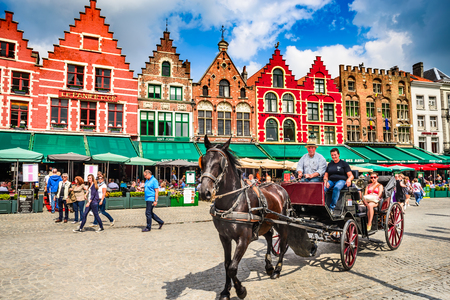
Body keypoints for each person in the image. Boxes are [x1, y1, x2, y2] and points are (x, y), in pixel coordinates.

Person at [323, 148, 354, 213]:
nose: (333, 156)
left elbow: (351, 175)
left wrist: (349, 179)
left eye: (335, 155)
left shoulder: (344, 163)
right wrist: (326, 181)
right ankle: (323, 206)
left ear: (339, 155)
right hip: (331, 181)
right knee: (323, 189)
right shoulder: (330, 164)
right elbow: (326, 175)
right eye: (332, 155)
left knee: (336, 188)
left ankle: (332, 207)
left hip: (341, 180)